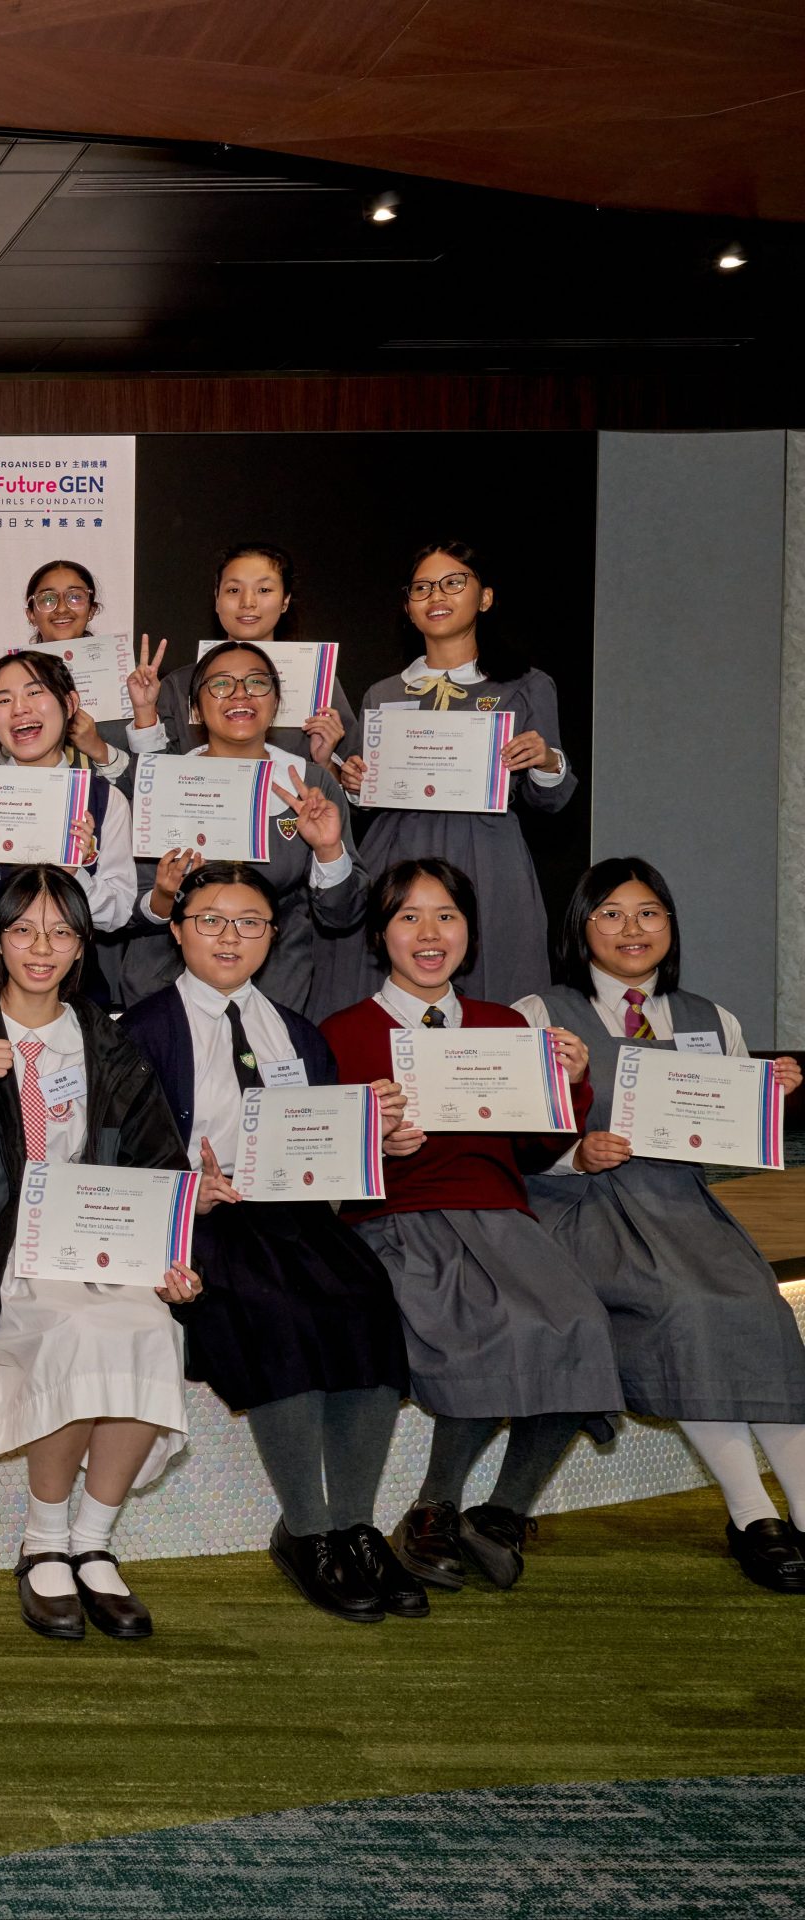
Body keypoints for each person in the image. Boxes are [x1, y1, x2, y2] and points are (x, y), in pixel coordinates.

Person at [119, 862, 429, 1623]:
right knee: (275, 1310)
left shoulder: (295, 1032)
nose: (230, 937)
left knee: (366, 1300)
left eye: (250, 922)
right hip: (195, 1219)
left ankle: (355, 1526)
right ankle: (307, 1530)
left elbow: (321, 1150)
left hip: (292, 1213)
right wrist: (186, 1183)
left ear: (273, 935)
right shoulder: (139, 1030)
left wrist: (375, 1135)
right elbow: (112, 1153)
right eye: (211, 920)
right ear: (177, 929)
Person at [0, 865, 202, 1642]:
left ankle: (94, 1540)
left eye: (60, 932)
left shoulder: (108, 1042)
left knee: (151, 1327)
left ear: (82, 945)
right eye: (23, 930)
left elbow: (158, 1165)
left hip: (97, 1244)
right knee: (75, 1328)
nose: (41, 948)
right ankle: (43, 1538)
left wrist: (169, 1256)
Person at [319, 857, 617, 1595]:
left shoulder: (506, 1026)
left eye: (446, 916)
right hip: (398, 1222)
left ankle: (499, 1512)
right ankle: (437, 1507)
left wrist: (571, 1086)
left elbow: (535, 1149)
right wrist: (370, 1142)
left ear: (470, 933)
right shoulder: (340, 1035)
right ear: (380, 934)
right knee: (486, 1329)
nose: (429, 933)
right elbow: (317, 1166)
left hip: (502, 1217)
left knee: (580, 1323)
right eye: (408, 916)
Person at [516, 858, 805, 1594]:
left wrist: (769, 1102)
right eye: (610, 914)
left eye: (648, 913)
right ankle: (752, 1514)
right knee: (689, 1307)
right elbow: (508, 1139)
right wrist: (574, 1153)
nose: (632, 929)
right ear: (580, 929)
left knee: (762, 1309)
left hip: (683, 1204)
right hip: (586, 1207)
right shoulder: (539, 1014)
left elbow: (731, 1139)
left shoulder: (714, 1019)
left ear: (670, 926)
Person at [335, 541, 576, 1005]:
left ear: (484, 598)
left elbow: (550, 800)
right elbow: (366, 798)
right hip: (396, 850)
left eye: (453, 583)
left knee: (494, 984)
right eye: (422, 588)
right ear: (408, 608)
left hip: (488, 854)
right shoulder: (384, 692)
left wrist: (546, 760)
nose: (436, 596)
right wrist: (355, 784)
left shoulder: (526, 686)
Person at [113, 640, 364, 1019]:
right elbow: (131, 908)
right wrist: (164, 893)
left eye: (256, 682)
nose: (240, 694)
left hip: (275, 991)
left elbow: (343, 915)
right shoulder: (164, 779)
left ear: (276, 702)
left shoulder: (310, 785)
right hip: (164, 989)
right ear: (195, 707)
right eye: (220, 684)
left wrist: (328, 851)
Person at [0, 649, 135, 1008]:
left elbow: (116, 916)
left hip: (67, 982)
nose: (19, 709)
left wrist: (75, 874)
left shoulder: (104, 800)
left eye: (35, 692)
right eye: (3, 700)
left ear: (69, 704)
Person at [141, 545, 356, 762]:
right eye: (234, 590)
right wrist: (144, 713)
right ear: (217, 599)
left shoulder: (319, 683)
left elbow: (353, 768)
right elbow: (153, 773)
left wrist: (327, 765)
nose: (248, 603)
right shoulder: (179, 685)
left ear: (285, 600)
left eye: (264, 590)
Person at [16, 559, 135, 772]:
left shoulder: (126, 678)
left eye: (75, 597)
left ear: (92, 610)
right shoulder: (11, 678)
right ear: (31, 614)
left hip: (109, 792)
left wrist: (97, 747)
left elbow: (144, 775)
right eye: (48, 599)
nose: (62, 608)